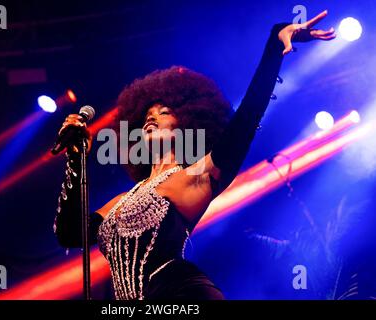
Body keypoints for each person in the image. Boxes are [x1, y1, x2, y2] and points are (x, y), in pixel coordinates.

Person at [53, 11, 335, 300]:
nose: (151, 119)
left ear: (187, 123)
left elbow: (246, 119)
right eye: (147, 115)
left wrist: (275, 44)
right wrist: (76, 158)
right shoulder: (121, 202)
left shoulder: (195, 177)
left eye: (163, 112)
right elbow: (70, 233)